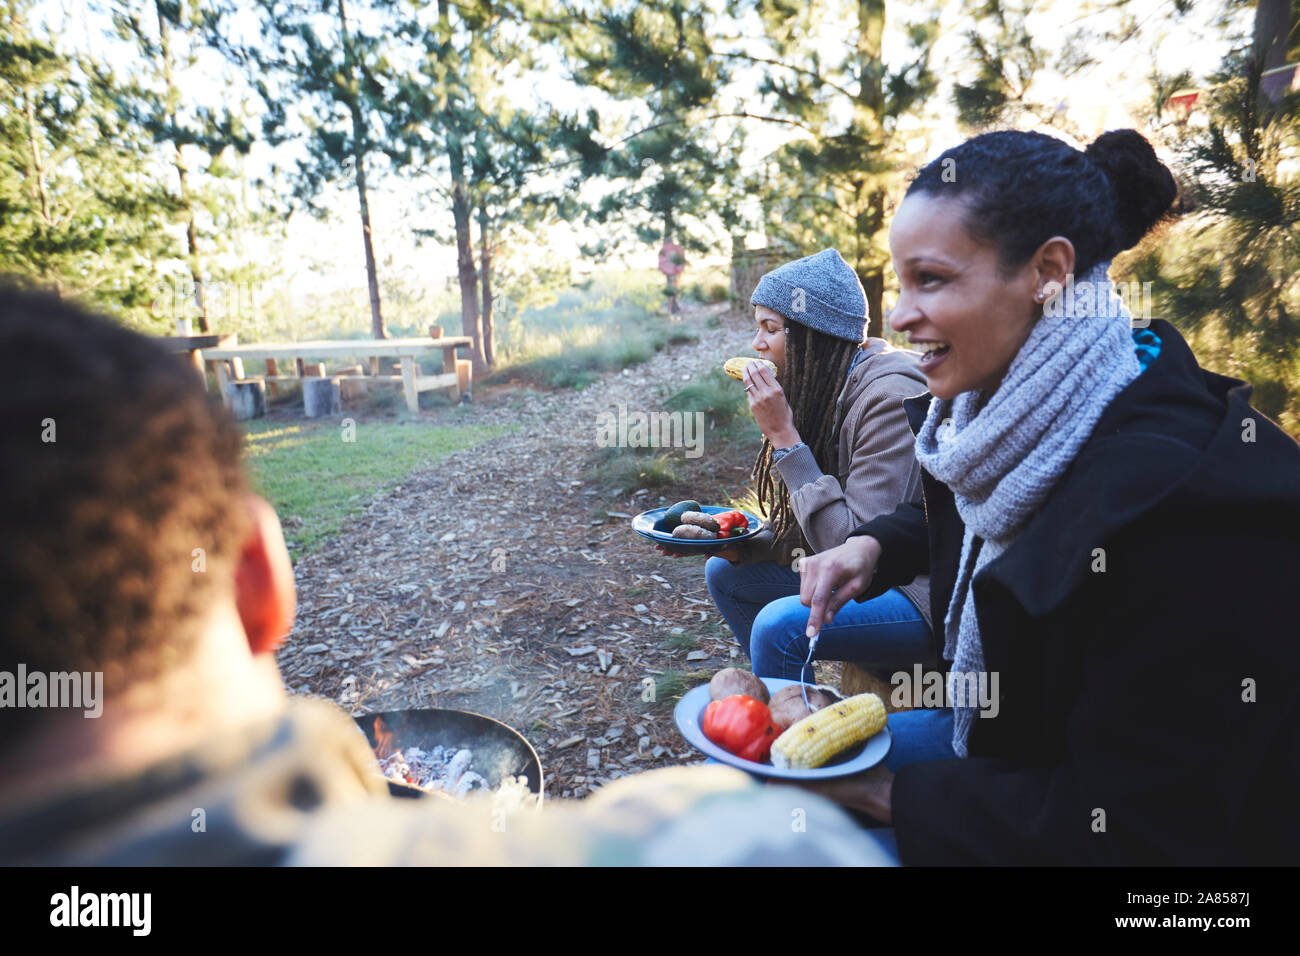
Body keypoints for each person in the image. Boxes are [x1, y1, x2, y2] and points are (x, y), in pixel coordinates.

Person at [0, 287, 896, 866]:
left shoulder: (881, 395)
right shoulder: (742, 847)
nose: (754, 343)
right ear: (262, 581)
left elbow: (860, 540)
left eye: (770, 329)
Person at [791, 129, 1300, 864]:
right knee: (763, 789)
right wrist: (875, 544)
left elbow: (1145, 827)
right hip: (991, 739)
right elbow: (983, 516)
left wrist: (883, 796)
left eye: (930, 279)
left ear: (1049, 272)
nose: (899, 316)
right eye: (899, 283)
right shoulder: (1009, 412)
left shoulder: (1189, 509)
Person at [694, 250, 935, 698]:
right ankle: (791, 706)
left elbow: (855, 549)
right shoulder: (826, 389)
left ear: (814, 339)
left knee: (776, 628)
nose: (757, 345)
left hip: (918, 594)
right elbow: (816, 533)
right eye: (757, 328)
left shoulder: (890, 398)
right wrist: (741, 548)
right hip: (868, 570)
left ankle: (791, 752)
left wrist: (785, 436)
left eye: (771, 329)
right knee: (726, 573)